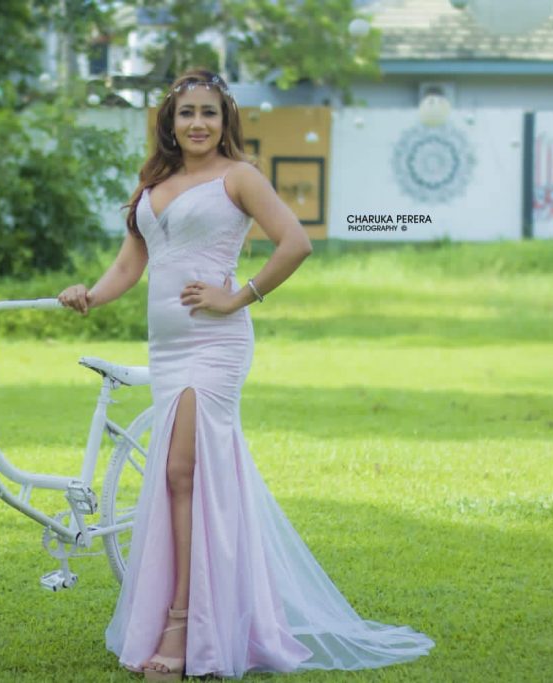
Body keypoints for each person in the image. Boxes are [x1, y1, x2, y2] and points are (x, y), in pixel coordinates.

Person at [58, 68, 435, 681]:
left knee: (182, 472)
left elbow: (295, 242)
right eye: (186, 113)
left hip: (216, 344)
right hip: (167, 348)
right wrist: (90, 296)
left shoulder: (239, 177)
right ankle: (195, 617)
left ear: (225, 119)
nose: (197, 123)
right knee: (182, 479)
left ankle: (183, 624)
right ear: (170, 122)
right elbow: (130, 264)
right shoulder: (153, 183)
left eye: (209, 112)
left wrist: (237, 297)